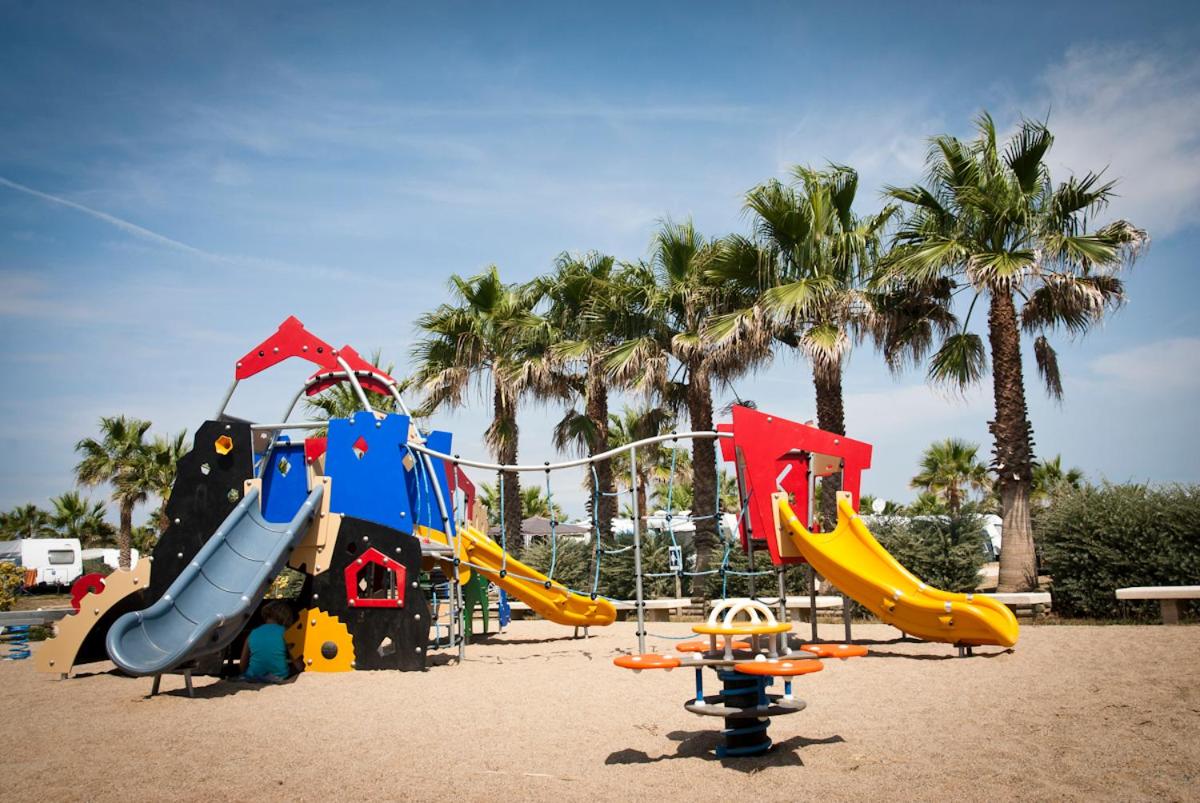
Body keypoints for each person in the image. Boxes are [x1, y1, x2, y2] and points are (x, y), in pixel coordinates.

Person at [238, 600, 295, 683]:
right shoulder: (285, 633)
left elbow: (242, 665)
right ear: (286, 617)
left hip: (252, 676)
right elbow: (297, 663)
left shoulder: (253, 633)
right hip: (278, 677)